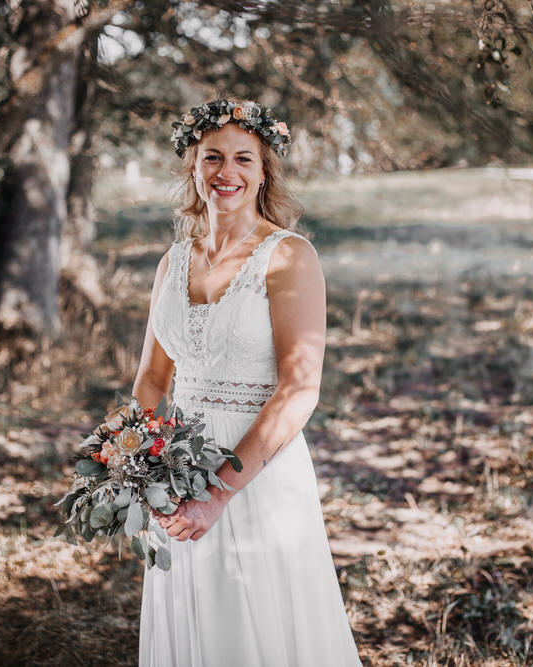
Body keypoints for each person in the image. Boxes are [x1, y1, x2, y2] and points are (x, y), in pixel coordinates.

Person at [131, 98, 362, 666]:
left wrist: (217, 493)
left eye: (242, 159)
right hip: (178, 471)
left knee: (257, 624)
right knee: (193, 620)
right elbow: (151, 383)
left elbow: (299, 389)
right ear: (193, 166)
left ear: (264, 172)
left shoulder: (288, 257)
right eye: (212, 157)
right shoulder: (172, 262)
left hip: (256, 473)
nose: (225, 173)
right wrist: (152, 472)